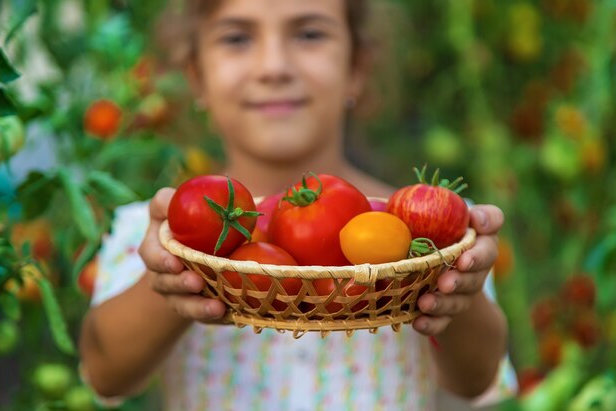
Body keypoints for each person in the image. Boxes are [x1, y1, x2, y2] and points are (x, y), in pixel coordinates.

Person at [79, 1, 516, 410]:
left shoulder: (422, 235)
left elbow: (474, 379)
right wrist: (173, 273)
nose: (274, 67)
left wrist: (458, 286)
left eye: (309, 34)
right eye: (236, 38)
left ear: (356, 68)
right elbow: (105, 372)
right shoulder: (155, 232)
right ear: (196, 75)